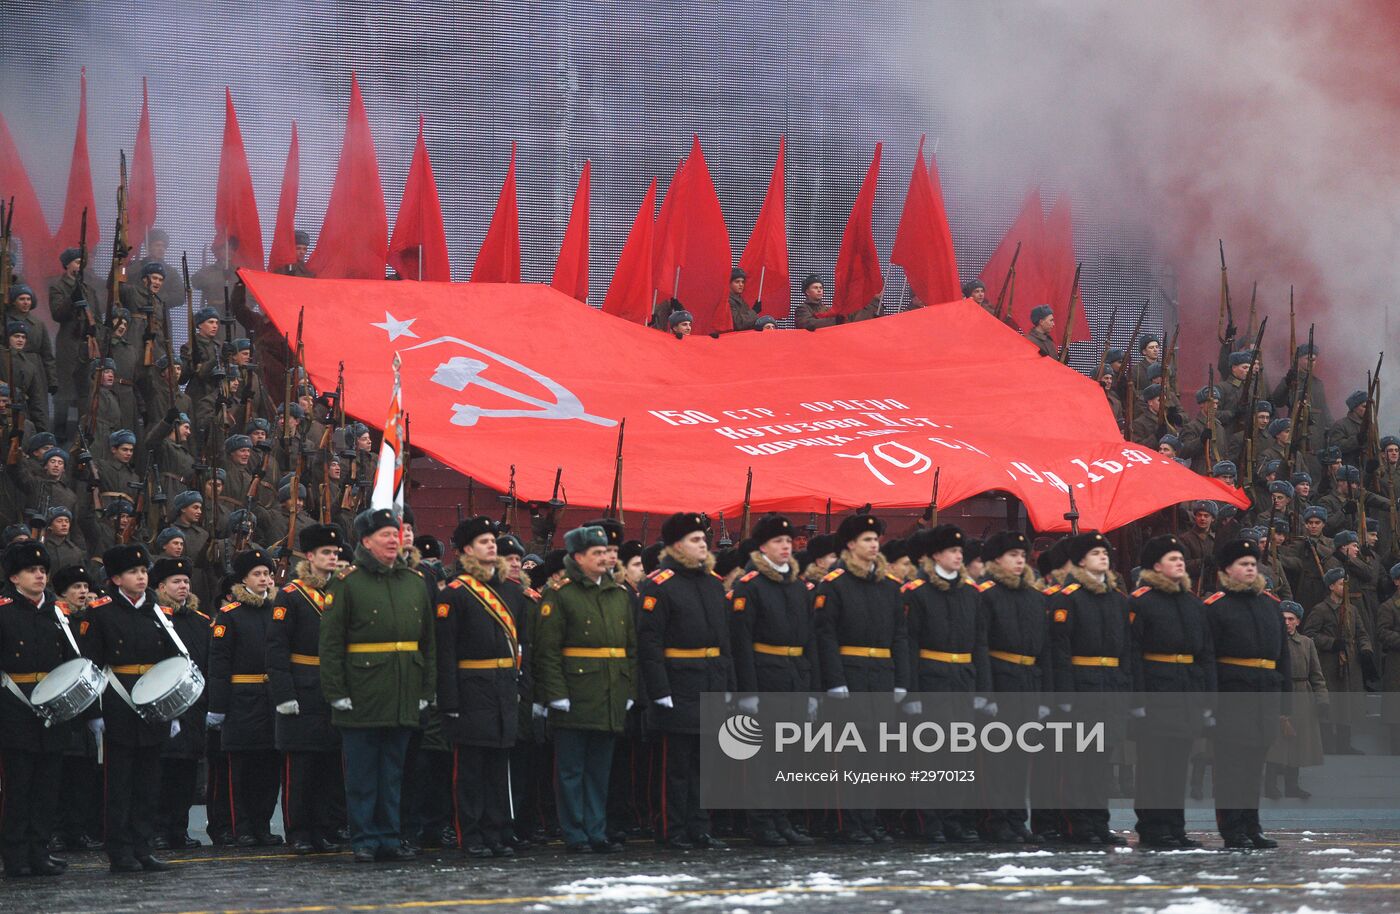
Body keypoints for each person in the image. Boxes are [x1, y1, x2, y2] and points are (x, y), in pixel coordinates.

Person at [319, 507, 436, 863]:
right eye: (385, 535)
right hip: (362, 693)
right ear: (366, 541)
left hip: (403, 690)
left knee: (394, 773)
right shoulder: (346, 582)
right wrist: (336, 693)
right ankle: (365, 838)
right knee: (363, 774)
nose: (393, 540)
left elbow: (427, 643)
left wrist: (425, 692)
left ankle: (389, 836)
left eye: (396, 534)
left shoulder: (414, 582)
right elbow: (331, 645)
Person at [533, 524, 637, 853]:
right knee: (571, 770)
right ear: (578, 557)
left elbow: (629, 648)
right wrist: (556, 693)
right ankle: (575, 832)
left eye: (607, 552)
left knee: (599, 769)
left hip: (609, 692)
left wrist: (629, 688)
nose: (606, 558)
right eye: (597, 553)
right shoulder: (560, 593)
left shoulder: (618, 593)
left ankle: (596, 829)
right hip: (576, 692)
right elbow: (547, 650)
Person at [81, 543, 181, 873]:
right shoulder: (100, 612)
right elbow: (91, 665)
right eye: (133, 572)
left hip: (153, 704)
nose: (141, 577)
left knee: (148, 783)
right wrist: (94, 712)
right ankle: (120, 850)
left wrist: (174, 707)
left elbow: (170, 660)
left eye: (143, 571)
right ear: (115, 579)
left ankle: (144, 846)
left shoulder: (159, 611)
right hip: (117, 702)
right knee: (119, 783)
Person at [638, 511, 735, 850]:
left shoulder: (711, 583)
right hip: (677, 684)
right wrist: (659, 690)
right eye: (695, 540)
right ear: (677, 545)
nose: (702, 545)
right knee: (674, 766)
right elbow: (649, 643)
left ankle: (699, 826)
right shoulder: (659, 585)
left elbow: (725, 641)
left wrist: (727, 686)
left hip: (709, 682)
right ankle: (671, 827)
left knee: (702, 765)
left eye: (703, 540)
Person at [814, 513, 909, 844]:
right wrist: (835, 680)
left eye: (875, 539)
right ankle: (850, 821)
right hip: (850, 675)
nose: (874, 545)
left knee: (876, 754)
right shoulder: (835, 584)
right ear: (851, 544)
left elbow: (899, 635)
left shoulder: (889, 586)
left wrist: (900, 680)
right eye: (867, 539)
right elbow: (825, 635)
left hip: (881, 675)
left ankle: (869, 819)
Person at [728, 513, 818, 847]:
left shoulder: (797, 586)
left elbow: (809, 639)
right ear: (762, 546)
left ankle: (783, 819)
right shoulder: (750, 586)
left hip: (794, 676)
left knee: (790, 756)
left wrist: (808, 686)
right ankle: (762, 822)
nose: (786, 546)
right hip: (766, 678)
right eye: (778, 541)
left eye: (787, 541)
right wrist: (748, 692)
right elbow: (741, 642)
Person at [436, 516, 523, 858]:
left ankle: (497, 830)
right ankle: (470, 834)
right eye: (484, 541)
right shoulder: (456, 594)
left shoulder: (511, 591)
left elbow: (522, 647)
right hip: (471, 690)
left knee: (498, 768)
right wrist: (450, 700)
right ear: (467, 550)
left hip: (503, 687)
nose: (492, 545)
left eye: (493, 540)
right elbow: (445, 652)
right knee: (470, 769)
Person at [1046, 531, 1134, 845]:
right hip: (1081, 688)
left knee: (1101, 761)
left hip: (1109, 688)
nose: (1104, 558)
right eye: (1097, 553)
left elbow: (1126, 650)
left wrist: (1124, 685)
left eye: (1106, 553)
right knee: (1077, 761)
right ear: (1082, 560)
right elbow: (1060, 651)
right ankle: (1077, 823)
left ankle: (1099, 821)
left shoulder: (1117, 600)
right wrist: (1066, 696)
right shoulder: (1067, 598)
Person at [902, 524, 988, 844]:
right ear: (936, 555)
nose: (958, 556)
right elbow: (908, 643)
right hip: (932, 679)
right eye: (952, 551)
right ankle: (929, 820)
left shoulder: (970, 593)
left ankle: (953, 818)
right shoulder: (918, 592)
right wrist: (911, 691)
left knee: (959, 755)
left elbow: (980, 643)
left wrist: (982, 689)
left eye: (960, 551)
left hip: (963, 680)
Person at [1129, 534, 1215, 849]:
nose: (1180, 562)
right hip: (1156, 692)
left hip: (1187, 692)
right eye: (1172, 558)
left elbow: (1205, 653)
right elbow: (1133, 655)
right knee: (1154, 764)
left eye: (1181, 558)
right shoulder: (1140, 601)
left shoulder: (1194, 604)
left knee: (1178, 763)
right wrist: (1137, 702)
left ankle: (1175, 826)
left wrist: (1207, 700)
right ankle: (1152, 827)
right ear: (1155, 566)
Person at [1203, 537, 1290, 849]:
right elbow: (1207, 659)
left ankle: (1252, 825)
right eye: (1243, 564)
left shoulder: (1270, 605)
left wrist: (1284, 705)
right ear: (1228, 569)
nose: (1251, 568)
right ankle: (1232, 828)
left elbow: (1283, 658)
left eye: (1253, 563)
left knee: (1255, 766)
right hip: (1232, 697)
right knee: (1231, 768)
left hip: (1264, 696)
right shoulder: (1216, 607)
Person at [266, 523, 346, 855]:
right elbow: (276, 648)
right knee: (301, 767)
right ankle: (298, 831)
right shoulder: (291, 595)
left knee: (329, 764)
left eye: (335, 552)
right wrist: (284, 695)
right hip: (301, 686)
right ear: (310, 556)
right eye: (326, 552)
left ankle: (324, 829)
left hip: (332, 687)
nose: (332, 557)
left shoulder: (342, 591)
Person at [0, 541, 75, 877]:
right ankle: (15, 855)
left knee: (47, 787)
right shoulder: (3, 611)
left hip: (52, 709)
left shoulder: (57, 613)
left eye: (43, 570)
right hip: (14, 709)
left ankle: (38, 850)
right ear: (14, 577)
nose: (40, 576)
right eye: (32, 571)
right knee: (18, 788)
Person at [975, 530, 1050, 844]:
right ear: (996, 560)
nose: (1020, 561)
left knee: (1022, 756)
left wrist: (1044, 692)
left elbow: (1043, 647)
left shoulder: (1034, 596)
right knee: (999, 757)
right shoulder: (986, 595)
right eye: (1012, 556)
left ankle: (1018, 819)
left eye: (1022, 556)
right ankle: (997, 819)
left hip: (1027, 681)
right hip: (1001, 677)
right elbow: (980, 645)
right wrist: (987, 692)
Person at [207, 548, 283, 847]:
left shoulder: (277, 611)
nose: (264, 579)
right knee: (241, 769)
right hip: (241, 698)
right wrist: (218, 706)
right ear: (244, 580)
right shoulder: (230, 615)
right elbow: (219, 665)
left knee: (269, 768)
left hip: (270, 698)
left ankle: (263, 825)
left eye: (267, 573)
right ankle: (243, 826)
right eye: (258, 574)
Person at [151, 556, 211, 851]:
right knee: (163, 772)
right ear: (160, 586)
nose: (183, 586)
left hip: (194, 706)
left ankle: (179, 827)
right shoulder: (154, 618)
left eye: (186, 581)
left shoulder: (200, 622)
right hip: (163, 706)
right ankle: (160, 828)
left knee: (187, 773)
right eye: (176, 582)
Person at [1301, 566, 1372, 754]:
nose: (1345, 587)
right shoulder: (1320, 610)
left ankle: (1344, 744)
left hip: (1350, 663)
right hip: (1329, 664)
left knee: (1346, 704)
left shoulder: (1352, 610)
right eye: (1341, 584)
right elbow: (1309, 635)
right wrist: (1332, 643)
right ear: (1331, 586)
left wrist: (1366, 650)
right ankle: (1327, 744)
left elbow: (1362, 633)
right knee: (1330, 704)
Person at [1264, 601, 1327, 800]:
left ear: (1298, 621)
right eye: (1283, 619)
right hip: (1279, 693)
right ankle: (1270, 785)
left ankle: (1292, 786)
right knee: (1276, 743)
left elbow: (1316, 675)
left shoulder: (1307, 643)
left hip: (1302, 695)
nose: (1287, 623)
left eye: (1291, 619)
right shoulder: (1270, 641)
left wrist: (1322, 700)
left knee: (1298, 743)